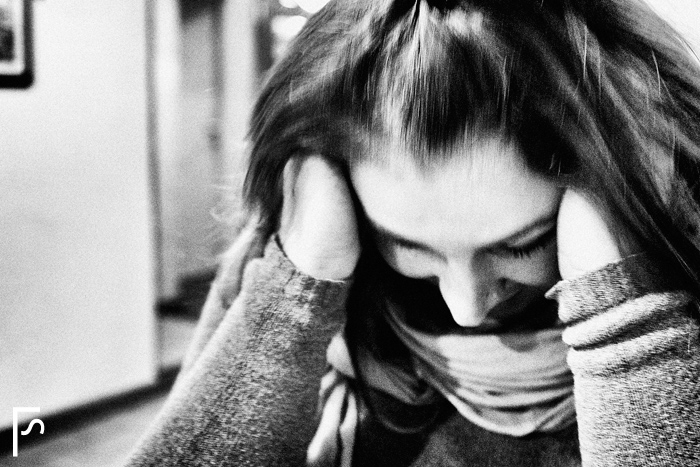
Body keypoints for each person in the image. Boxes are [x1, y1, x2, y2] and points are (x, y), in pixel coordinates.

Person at [127, 0, 700, 465]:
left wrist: (629, 310)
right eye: (406, 245)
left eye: (523, 244)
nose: (467, 308)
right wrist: (296, 296)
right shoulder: (284, 262)